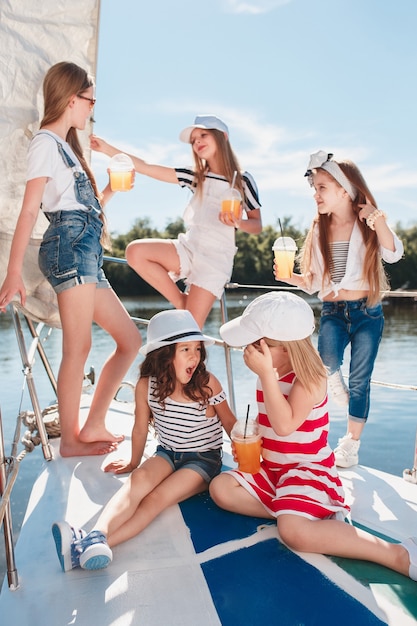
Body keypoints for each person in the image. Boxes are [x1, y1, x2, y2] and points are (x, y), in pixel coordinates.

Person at [209, 291, 417, 583]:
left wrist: (266, 375)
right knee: (221, 489)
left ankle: (398, 554)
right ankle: (298, 509)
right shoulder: (271, 370)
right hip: (273, 470)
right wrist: (254, 430)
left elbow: (285, 425)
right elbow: (270, 420)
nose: (248, 349)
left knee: (293, 533)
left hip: (307, 470)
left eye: (257, 344)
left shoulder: (311, 377)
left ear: (284, 348)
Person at [0, 62, 141, 457]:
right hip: (69, 247)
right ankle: (72, 441)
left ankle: (93, 422)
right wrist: (13, 273)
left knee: (129, 340)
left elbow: (84, 210)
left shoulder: (67, 149)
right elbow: (31, 211)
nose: (92, 109)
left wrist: (110, 190)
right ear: (70, 99)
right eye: (90, 100)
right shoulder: (45, 143)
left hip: (85, 248)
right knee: (77, 348)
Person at [51, 309, 236, 571]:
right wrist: (133, 462)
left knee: (155, 499)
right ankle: (95, 535)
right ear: (164, 354)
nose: (195, 355)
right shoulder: (146, 385)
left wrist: (251, 453)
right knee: (136, 483)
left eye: (197, 348)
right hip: (167, 453)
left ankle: (90, 547)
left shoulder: (206, 383)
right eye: (185, 349)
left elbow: (229, 422)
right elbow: (140, 428)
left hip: (203, 460)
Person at [273, 151, 404, 467]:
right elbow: (314, 282)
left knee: (360, 380)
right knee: (325, 365)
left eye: (322, 188)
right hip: (332, 311)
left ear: (344, 190)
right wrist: (287, 276)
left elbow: (394, 254)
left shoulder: (367, 224)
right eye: (314, 189)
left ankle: (350, 443)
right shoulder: (319, 229)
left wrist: (377, 218)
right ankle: (332, 386)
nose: (315, 195)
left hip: (367, 313)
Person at [90, 114, 262, 329]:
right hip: (188, 248)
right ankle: (180, 300)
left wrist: (239, 222)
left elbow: (257, 225)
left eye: (203, 135)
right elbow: (146, 166)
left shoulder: (243, 180)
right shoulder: (194, 176)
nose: (197, 141)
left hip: (215, 260)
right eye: (193, 140)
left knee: (189, 330)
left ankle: (193, 345)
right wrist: (106, 149)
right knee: (136, 252)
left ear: (223, 137)